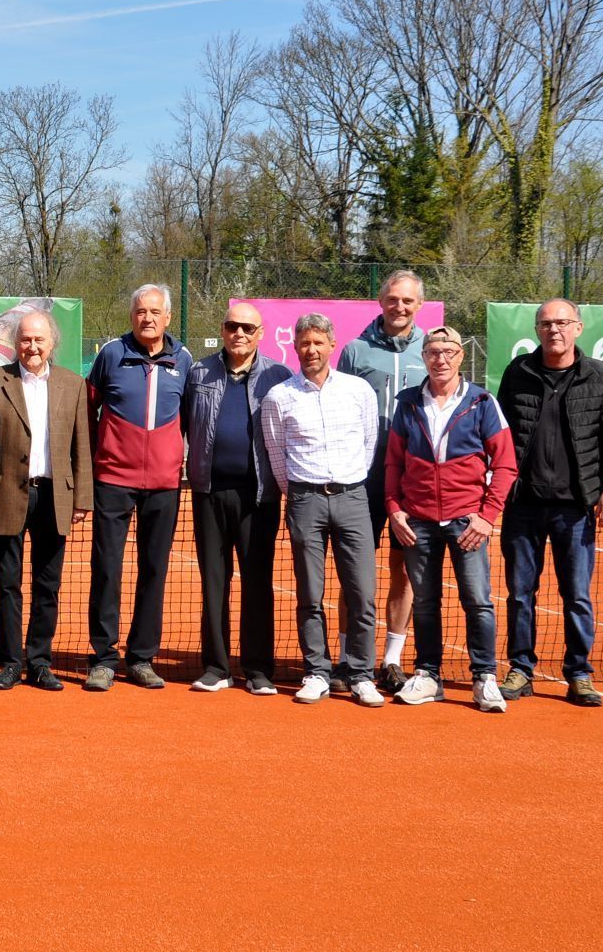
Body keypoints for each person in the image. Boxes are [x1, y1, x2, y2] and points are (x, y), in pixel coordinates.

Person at [496, 298, 603, 708]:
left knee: (577, 596)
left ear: (578, 328)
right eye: (547, 323)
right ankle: (520, 669)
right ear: (537, 330)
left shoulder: (596, 374)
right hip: (523, 505)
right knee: (520, 594)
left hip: (576, 507)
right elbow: (499, 433)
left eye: (562, 323)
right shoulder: (518, 372)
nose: (554, 330)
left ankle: (580, 674)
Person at [384, 326, 517, 712]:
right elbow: (393, 461)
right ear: (422, 356)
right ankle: (427, 675)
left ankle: (484, 677)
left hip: (467, 522)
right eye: (432, 351)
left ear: (461, 356)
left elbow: (506, 464)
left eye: (448, 351)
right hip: (418, 521)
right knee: (424, 602)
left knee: (477, 601)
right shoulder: (407, 403)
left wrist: (487, 516)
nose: (440, 359)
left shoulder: (482, 402)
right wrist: (394, 508)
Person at [259, 314, 384, 707]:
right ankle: (316, 671)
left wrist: (347, 482)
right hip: (304, 500)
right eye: (303, 344)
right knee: (310, 593)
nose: (311, 350)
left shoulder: (359, 390)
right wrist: (301, 492)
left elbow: (369, 442)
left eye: (318, 342)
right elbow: (277, 456)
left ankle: (361, 673)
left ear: (332, 344)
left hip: (353, 498)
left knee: (362, 593)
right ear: (295, 348)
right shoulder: (279, 397)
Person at [83, 283, 192, 691]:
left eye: (154, 312)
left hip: (164, 484)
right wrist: (98, 458)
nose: (147, 318)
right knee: (107, 569)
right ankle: (103, 658)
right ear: (132, 316)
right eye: (140, 311)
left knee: (154, 571)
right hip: (112, 480)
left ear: (167, 317)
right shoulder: (112, 354)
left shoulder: (183, 358)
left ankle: (142, 657)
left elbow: (190, 416)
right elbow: (87, 410)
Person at [180, 300, 291, 695]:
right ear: (223, 330)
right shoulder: (199, 373)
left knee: (258, 582)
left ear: (260, 334)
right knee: (214, 581)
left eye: (247, 328)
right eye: (232, 326)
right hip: (209, 493)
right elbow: (181, 424)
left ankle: (258, 668)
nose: (238, 334)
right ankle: (216, 666)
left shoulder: (278, 376)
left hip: (259, 496)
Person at [0, 309, 93, 691]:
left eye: (39, 339)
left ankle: (40, 661)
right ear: (15, 343)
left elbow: (82, 446)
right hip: (7, 494)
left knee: (48, 585)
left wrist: (82, 498)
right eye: (25, 339)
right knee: (6, 583)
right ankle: (10, 662)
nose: (32, 346)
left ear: (51, 343)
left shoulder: (73, 384)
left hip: (54, 495)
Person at [338, 269, 429, 693]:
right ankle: (345, 658)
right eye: (393, 299)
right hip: (363, 478)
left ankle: (392, 660)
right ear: (380, 301)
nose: (400, 307)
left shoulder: (430, 351)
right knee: (354, 574)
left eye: (408, 300)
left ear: (419, 304)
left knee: (404, 572)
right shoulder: (356, 351)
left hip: (414, 482)